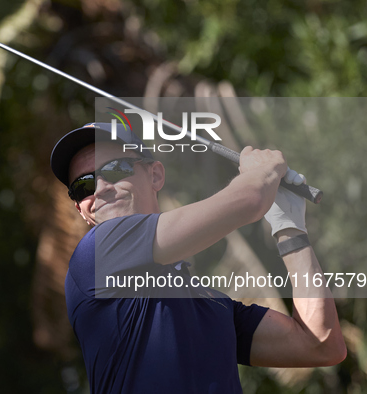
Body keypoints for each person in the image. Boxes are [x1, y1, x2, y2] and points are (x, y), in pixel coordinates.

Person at [50, 122, 346, 393]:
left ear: (154, 174)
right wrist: (263, 171)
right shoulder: (95, 253)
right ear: (80, 209)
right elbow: (252, 198)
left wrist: (289, 228)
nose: (100, 188)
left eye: (114, 168)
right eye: (83, 186)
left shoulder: (208, 304)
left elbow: (320, 345)